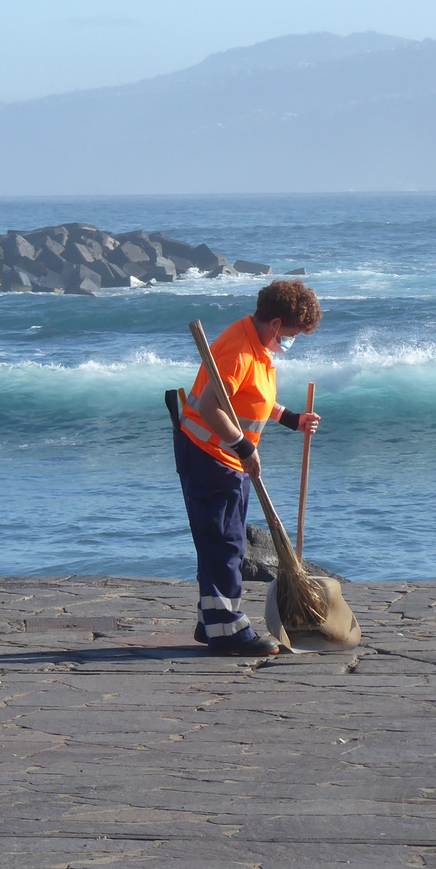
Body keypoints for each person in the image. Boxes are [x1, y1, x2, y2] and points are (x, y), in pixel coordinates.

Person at [167, 280, 322, 656]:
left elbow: (252, 399)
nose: (291, 341)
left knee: (223, 540)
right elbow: (209, 408)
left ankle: (211, 622)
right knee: (224, 543)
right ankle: (228, 632)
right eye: (292, 333)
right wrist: (243, 447)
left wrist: (291, 419)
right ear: (276, 324)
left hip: (225, 458)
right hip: (210, 456)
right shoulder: (238, 350)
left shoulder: (258, 346)